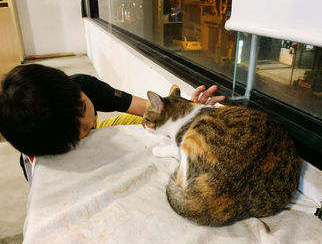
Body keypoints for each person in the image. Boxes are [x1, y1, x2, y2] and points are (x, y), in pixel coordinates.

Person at [0, 64, 225, 181]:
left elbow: (148, 111)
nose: (89, 120)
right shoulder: (38, 149)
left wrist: (186, 113)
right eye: (79, 131)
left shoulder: (83, 86)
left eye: (84, 109)